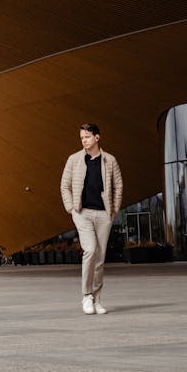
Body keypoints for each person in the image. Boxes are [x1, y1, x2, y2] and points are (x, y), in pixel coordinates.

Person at [60, 122, 123, 315]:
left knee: (100, 259)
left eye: (87, 137)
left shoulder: (110, 160)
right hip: (82, 212)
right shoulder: (74, 160)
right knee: (90, 250)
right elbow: (65, 186)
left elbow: (118, 186)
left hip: (104, 214)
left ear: (97, 137)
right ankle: (86, 295)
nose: (84, 141)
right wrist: (71, 208)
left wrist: (113, 210)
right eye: (81, 138)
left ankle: (97, 299)